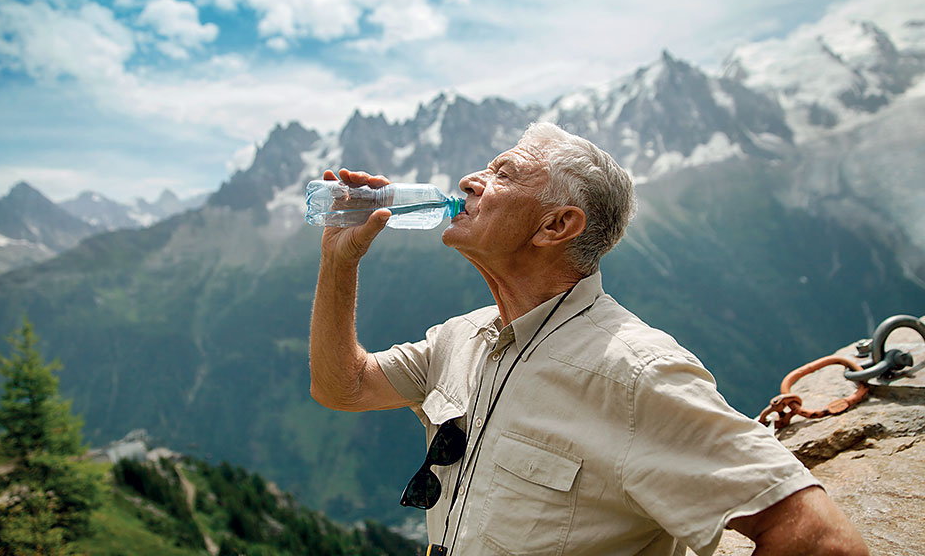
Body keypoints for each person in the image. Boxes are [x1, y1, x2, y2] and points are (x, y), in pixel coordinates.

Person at [309, 122, 868, 555]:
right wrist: (340, 261)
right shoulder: (463, 337)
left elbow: (819, 541)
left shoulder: (635, 374)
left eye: (503, 173)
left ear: (557, 225)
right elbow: (345, 387)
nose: (468, 181)